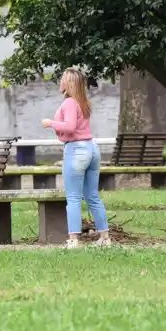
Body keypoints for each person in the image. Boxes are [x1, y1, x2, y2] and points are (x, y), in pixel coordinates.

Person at [41, 67, 111, 249]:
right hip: (92, 148)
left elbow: (70, 127)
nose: (60, 82)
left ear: (69, 83)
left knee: (73, 197)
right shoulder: (83, 102)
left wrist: (50, 123)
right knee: (92, 196)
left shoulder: (70, 103)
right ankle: (105, 238)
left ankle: (73, 240)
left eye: (63, 79)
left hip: (77, 151)